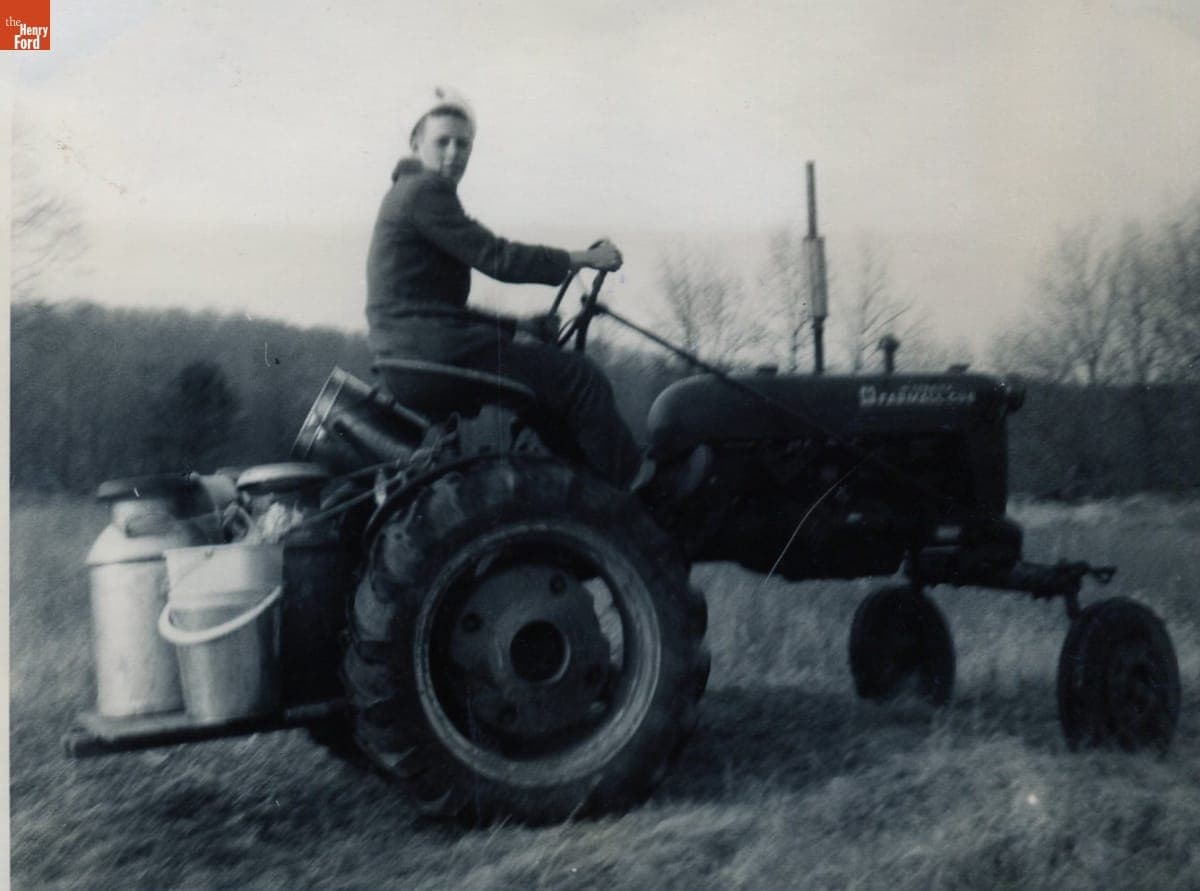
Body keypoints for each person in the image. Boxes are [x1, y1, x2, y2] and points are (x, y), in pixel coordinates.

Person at [365, 86, 640, 486]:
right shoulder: (425, 192)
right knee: (581, 378)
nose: (454, 153)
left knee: (545, 397)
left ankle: (581, 494)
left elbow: (435, 307)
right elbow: (499, 257)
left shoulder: (407, 195)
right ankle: (635, 497)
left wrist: (519, 327)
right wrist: (582, 258)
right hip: (428, 352)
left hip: (411, 354)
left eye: (464, 144)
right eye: (443, 142)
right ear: (415, 143)